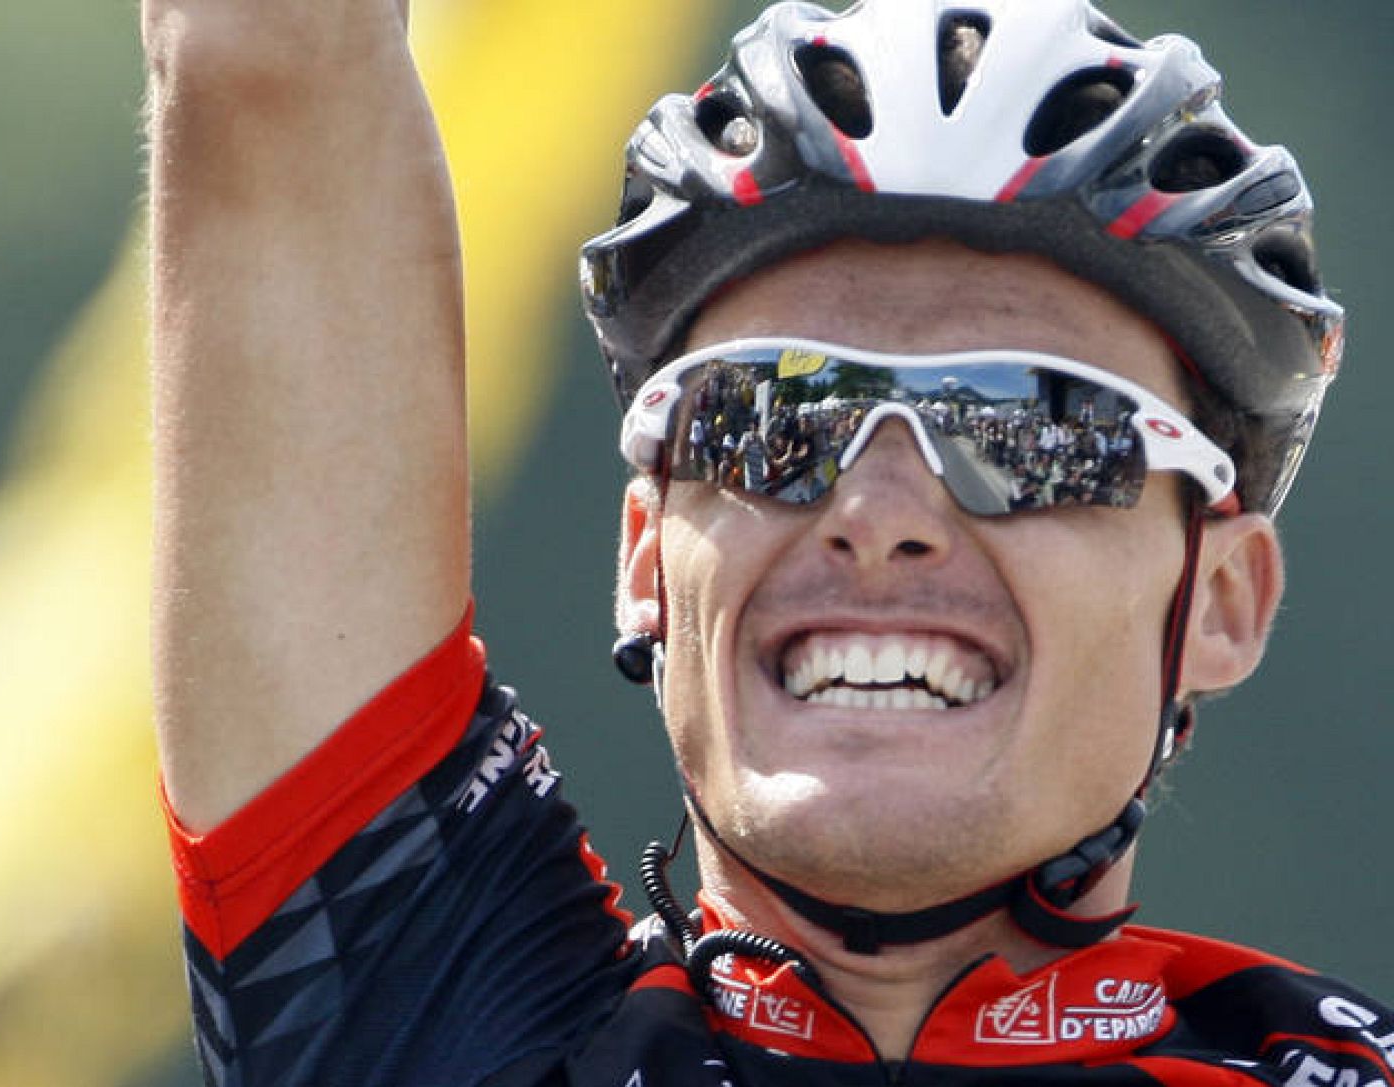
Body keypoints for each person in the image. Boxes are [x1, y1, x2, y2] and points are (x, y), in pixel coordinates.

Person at [142, 0, 1390, 1084]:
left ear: (1220, 599)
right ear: (646, 556)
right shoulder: (421, 1010)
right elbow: (263, 56)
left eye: (1032, 432)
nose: (880, 519)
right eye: (767, 421)